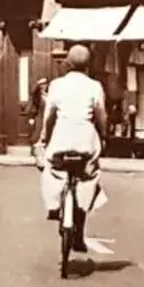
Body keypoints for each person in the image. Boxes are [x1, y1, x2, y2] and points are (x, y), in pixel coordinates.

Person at [36, 45, 108, 253]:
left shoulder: (57, 85)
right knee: (88, 178)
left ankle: (54, 205)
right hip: (85, 139)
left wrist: (44, 137)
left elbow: (49, 115)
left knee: (51, 169)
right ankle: (78, 233)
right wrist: (104, 136)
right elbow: (101, 115)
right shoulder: (94, 86)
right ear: (88, 65)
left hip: (61, 137)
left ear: (67, 63)